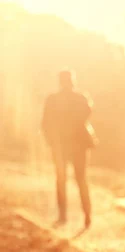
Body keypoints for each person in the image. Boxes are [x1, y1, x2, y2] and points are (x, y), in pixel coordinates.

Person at [41, 70, 96, 228]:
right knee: (80, 179)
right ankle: (86, 215)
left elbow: (45, 124)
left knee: (63, 179)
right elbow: (86, 115)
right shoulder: (81, 98)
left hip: (62, 145)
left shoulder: (53, 100)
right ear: (73, 81)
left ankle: (65, 215)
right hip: (76, 144)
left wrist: (52, 141)